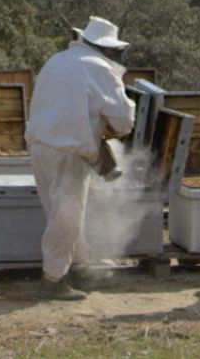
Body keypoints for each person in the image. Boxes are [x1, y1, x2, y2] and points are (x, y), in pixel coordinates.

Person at [26, 16, 136, 300]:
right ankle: (53, 280)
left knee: (58, 212)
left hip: (40, 144)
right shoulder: (99, 68)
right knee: (67, 217)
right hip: (69, 151)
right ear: (108, 49)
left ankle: (78, 268)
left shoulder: (58, 59)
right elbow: (123, 121)